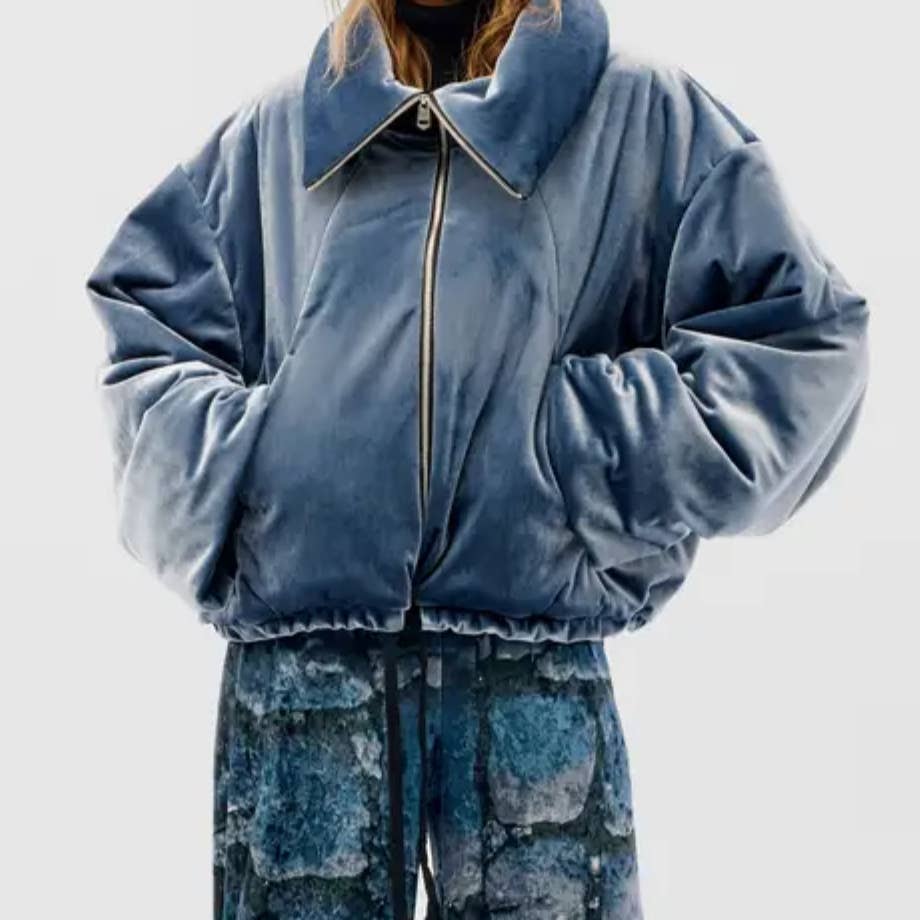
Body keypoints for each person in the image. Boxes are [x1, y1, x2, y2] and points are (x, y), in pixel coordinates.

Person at [84, 0, 870, 916]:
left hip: (530, 666)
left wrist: (578, 455)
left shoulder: (638, 113)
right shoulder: (278, 132)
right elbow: (147, 339)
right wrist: (263, 473)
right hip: (301, 674)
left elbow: (801, 344)